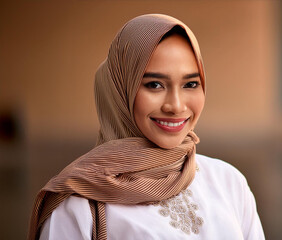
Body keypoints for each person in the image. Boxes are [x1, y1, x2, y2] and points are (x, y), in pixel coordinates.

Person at [28, 14, 265, 240]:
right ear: (120, 90)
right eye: (154, 85)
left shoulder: (229, 183)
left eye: (190, 83)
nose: (176, 105)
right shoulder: (80, 205)